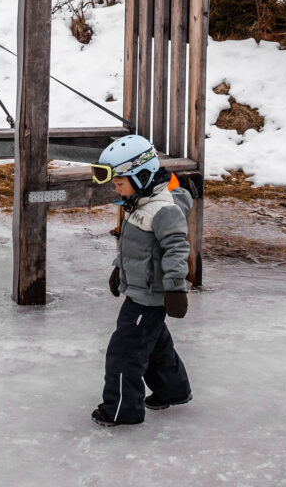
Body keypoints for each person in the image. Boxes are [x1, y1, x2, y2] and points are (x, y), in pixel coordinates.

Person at [89, 134, 193, 427]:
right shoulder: (141, 203)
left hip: (149, 297)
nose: (118, 190)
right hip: (139, 291)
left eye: (120, 184)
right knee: (156, 344)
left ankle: (122, 411)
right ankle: (173, 390)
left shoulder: (163, 210)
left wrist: (175, 288)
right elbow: (137, 249)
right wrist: (118, 270)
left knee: (124, 354)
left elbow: (176, 248)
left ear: (143, 175)